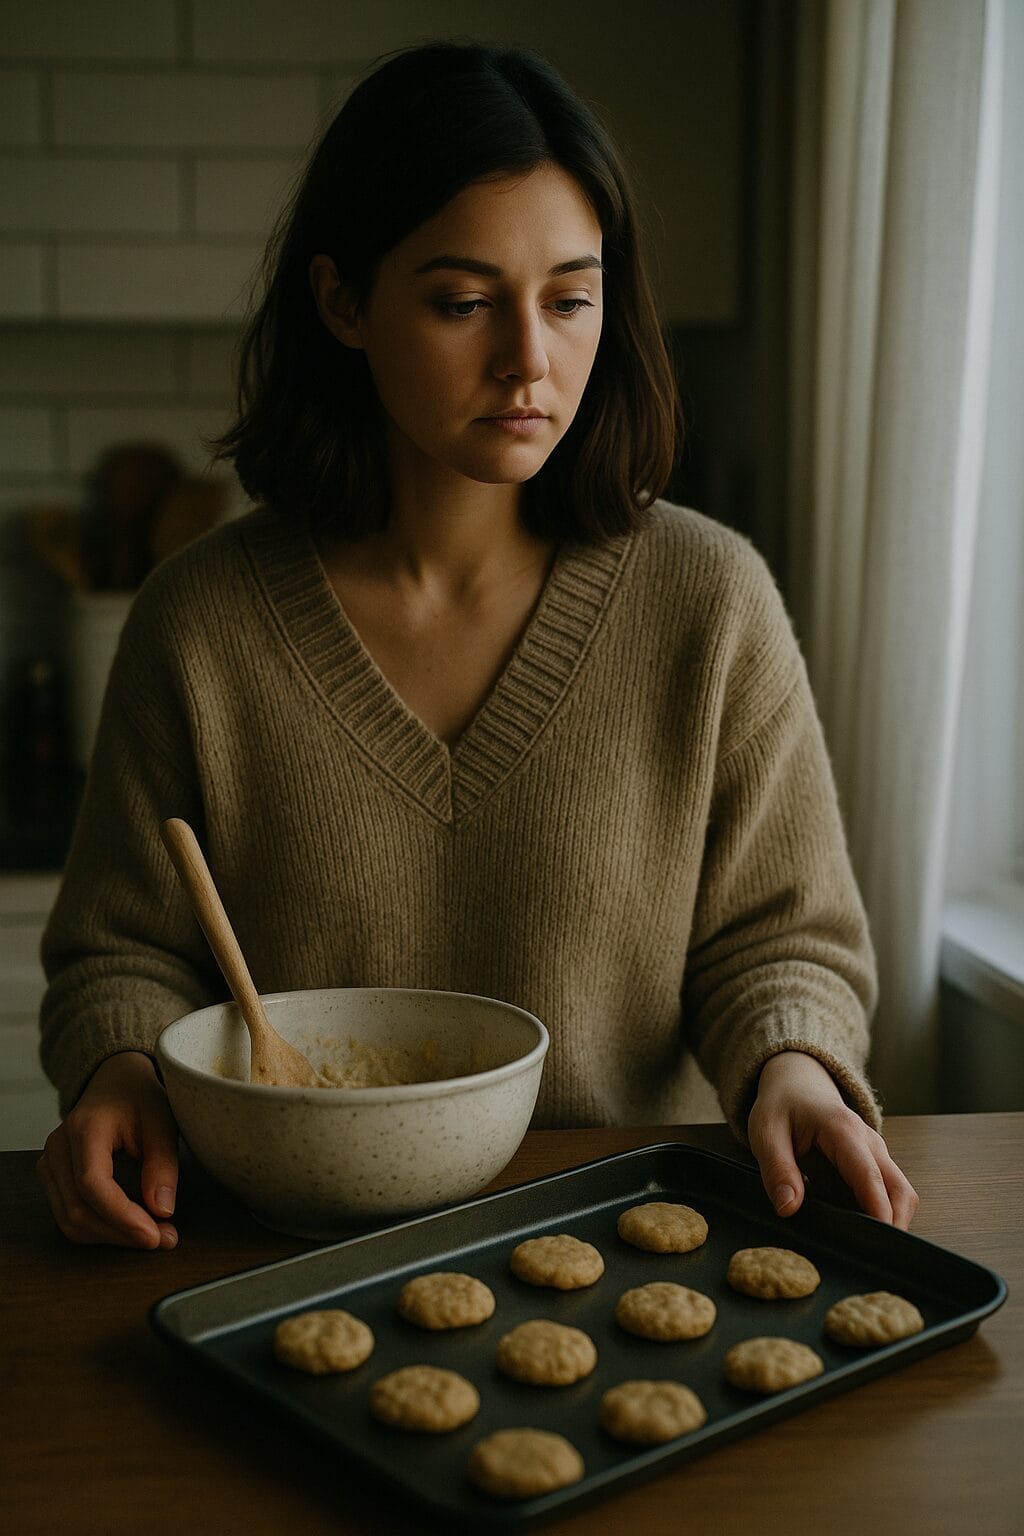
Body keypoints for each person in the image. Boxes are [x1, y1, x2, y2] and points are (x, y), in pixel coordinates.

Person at [35, 41, 917, 1250]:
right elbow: (121, 951)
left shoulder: (708, 602)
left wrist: (793, 1071)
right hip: (277, 1252)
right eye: (462, 302)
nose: (529, 361)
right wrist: (122, 1064)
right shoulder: (200, 623)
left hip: (622, 1245)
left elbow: (779, 940)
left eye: (569, 298)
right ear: (341, 301)